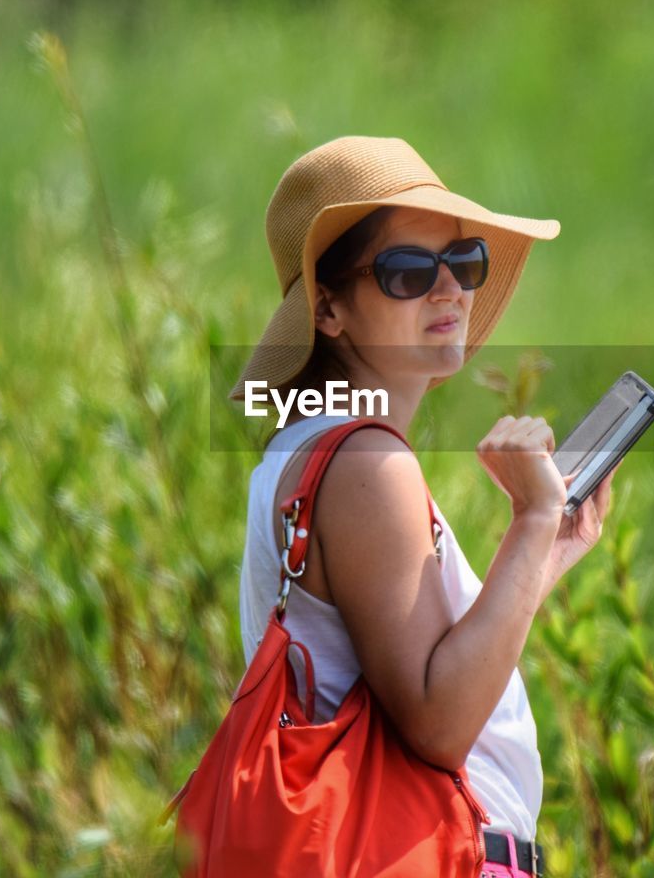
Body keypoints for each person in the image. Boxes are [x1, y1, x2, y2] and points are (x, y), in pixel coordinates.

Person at [230, 136, 617, 878]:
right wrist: (534, 519)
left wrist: (539, 555)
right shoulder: (365, 461)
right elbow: (437, 723)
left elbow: (428, 666)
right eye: (407, 271)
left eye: (462, 261)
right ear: (331, 308)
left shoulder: (314, 451)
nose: (450, 289)